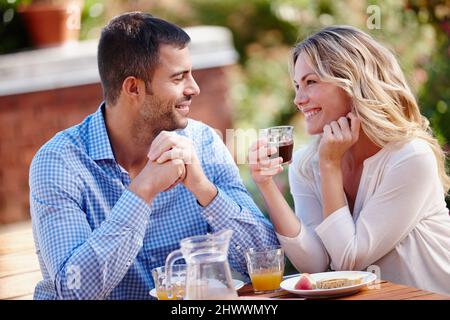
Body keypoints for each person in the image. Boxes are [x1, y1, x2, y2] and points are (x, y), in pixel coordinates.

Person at [29, 12, 278, 300]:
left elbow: (264, 260)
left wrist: (205, 190)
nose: (194, 88)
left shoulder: (203, 144)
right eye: (178, 77)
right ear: (133, 87)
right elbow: (74, 292)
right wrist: (142, 192)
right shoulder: (60, 163)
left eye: (191, 74)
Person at [249, 25, 450, 295]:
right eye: (297, 85)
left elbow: (350, 260)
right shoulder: (308, 162)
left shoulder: (410, 157)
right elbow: (316, 264)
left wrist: (330, 167)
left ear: (352, 83)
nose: (298, 99)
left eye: (311, 82)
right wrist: (266, 185)